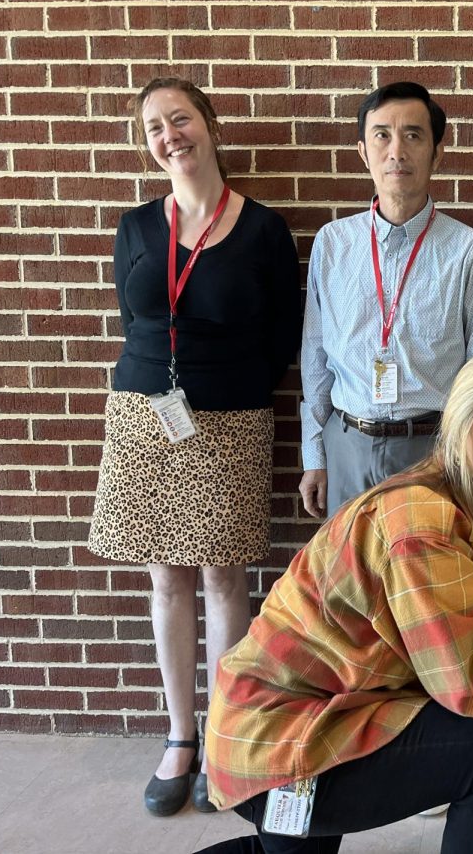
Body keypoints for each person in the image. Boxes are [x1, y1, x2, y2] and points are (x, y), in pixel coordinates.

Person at [196, 351, 473, 854]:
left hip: (310, 716)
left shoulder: (470, 501)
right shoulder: (426, 522)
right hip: (280, 741)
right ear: (464, 423)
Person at [88, 77, 302, 817]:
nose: (169, 135)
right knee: (167, 581)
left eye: (180, 118)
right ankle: (180, 736)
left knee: (223, 580)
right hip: (145, 416)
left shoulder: (264, 229)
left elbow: (283, 334)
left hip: (232, 417)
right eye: (154, 127)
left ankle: (223, 737)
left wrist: (229, 383)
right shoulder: (135, 227)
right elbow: (133, 320)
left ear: (209, 124)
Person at [298, 81, 473, 523]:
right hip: (347, 445)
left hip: (435, 450)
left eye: (413, 135)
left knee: (430, 568)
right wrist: (314, 455)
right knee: (350, 568)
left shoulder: (469, 251)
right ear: (363, 151)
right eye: (382, 135)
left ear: (437, 153)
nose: (397, 151)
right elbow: (315, 359)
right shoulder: (332, 244)